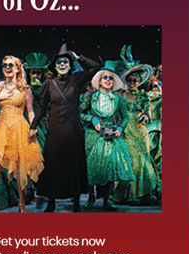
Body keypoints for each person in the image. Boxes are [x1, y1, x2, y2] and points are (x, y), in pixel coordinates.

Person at [29, 45, 100, 212]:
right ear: (55, 66)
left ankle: (76, 202)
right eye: (59, 62)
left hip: (73, 130)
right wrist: (33, 126)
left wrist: (78, 57)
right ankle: (51, 202)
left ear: (70, 65)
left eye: (65, 62)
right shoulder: (48, 84)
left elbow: (95, 67)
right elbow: (42, 108)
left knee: (74, 165)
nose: (62, 64)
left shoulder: (77, 80)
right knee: (53, 165)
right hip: (55, 130)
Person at [0, 55, 43, 213]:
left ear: (17, 69)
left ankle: (22, 204)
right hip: (2, 130)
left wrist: (33, 127)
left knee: (20, 168)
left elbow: (30, 111)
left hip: (19, 129)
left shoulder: (24, 88)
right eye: (5, 65)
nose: (7, 68)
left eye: (11, 65)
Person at [81, 68, 135, 210]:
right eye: (104, 77)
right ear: (99, 81)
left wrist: (120, 128)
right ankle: (91, 197)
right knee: (91, 167)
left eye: (110, 78)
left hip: (111, 135)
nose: (108, 80)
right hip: (93, 136)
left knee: (110, 167)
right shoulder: (91, 97)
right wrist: (91, 119)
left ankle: (106, 200)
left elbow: (125, 117)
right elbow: (80, 113)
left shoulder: (119, 99)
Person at [119, 64, 161, 205]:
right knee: (129, 159)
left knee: (142, 159)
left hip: (140, 130)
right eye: (129, 80)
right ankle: (127, 196)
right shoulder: (121, 96)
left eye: (134, 80)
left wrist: (146, 117)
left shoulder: (143, 96)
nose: (132, 83)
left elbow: (148, 112)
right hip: (126, 130)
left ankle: (142, 193)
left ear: (139, 82)